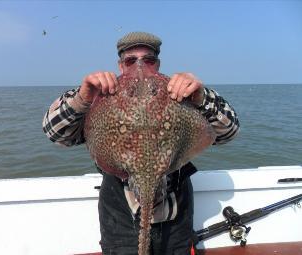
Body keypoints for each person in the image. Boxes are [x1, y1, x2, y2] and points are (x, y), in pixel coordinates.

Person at [42, 31, 240, 255]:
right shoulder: (101, 95)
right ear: (120, 65)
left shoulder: (179, 93)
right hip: (120, 222)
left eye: (148, 60)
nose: (139, 67)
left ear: (158, 64)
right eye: (130, 60)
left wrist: (202, 97)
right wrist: (83, 98)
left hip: (175, 224)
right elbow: (55, 133)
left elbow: (228, 132)